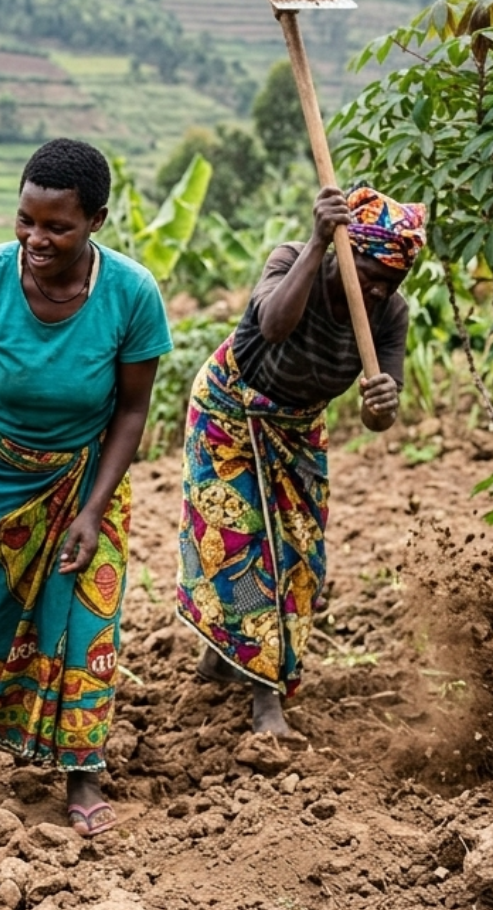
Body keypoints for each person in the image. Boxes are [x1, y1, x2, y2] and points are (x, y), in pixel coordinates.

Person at [0, 138, 171, 839]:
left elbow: (132, 411)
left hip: (88, 478)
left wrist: (93, 510)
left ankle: (82, 773)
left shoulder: (131, 294)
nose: (36, 238)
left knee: (85, 625)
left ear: (97, 222)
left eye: (58, 226)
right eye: (26, 219)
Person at [176, 185, 421, 740]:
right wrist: (316, 242)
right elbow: (272, 326)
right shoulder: (291, 259)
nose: (380, 287)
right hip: (230, 413)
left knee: (301, 557)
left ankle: (224, 652)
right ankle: (266, 697)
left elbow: (379, 417)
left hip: (298, 429)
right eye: (372, 271)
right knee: (246, 548)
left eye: (394, 278)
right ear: (344, 251)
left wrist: (382, 404)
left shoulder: (389, 314)